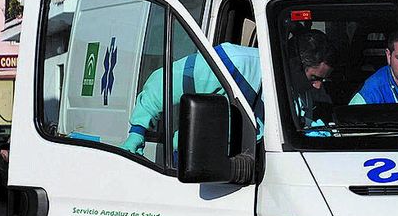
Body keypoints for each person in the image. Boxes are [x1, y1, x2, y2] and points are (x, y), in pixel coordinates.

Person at [121, 42, 262, 153]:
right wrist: (137, 131)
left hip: (240, 162)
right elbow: (164, 82)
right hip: (189, 162)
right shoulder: (234, 64)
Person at [286, 28, 335, 127]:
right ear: (295, 65)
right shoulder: (252, 69)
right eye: (314, 78)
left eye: (322, 80)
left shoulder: (309, 92)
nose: (318, 86)